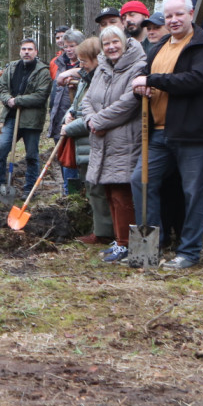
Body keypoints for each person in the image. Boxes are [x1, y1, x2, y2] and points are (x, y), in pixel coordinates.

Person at [130, 0, 203, 270]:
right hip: (157, 132)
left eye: (178, 14)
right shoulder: (157, 49)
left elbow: (195, 80)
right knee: (141, 181)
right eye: (168, 15)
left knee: (194, 192)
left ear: (191, 14)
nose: (173, 20)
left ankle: (189, 252)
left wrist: (152, 80)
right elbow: (143, 83)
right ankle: (150, 247)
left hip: (193, 132)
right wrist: (141, 88)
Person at [78, 27, 147, 262]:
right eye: (106, 44)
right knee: (109, 191)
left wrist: (98, 120)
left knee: (122, 192)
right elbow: (87, 99)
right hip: (101, 138)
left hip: (125, 138)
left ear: (124, 43)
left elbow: (128, 102)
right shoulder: (102, 68)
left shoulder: (138, 65)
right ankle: (119, 240)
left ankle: (128, 243)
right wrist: (90, 120)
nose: (111, 47)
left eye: (115, 42)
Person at [59, 37, 113, 245]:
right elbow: (78, 107)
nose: (81, 66)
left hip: (94, 143)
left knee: (97, 188)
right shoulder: (85, 79)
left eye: (84, 61)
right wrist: (68, 115)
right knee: (90, 188)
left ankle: (103, 232)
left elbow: (94, 117)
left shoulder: (102, 81)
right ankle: (98, 229)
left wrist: (69, 128)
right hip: (82, 145)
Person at [0, 39, 51, 202]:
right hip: (11, 118)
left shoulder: (43, 71)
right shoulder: (12, 67)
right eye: (24, 49)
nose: (26, 52)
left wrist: (18, 100)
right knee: (1, 150)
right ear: (20, 51)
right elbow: (1, 87)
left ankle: (29, 190)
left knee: (31, 156)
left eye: (30, 49)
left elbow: (41, 96)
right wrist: (8, 99)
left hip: (32, 122)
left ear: (36, 52)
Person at [49, 29, 86, 189]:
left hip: (78, 119)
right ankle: (67, 192)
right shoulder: (58, 64)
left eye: (73, 46)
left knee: (78, 159)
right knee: (64, 157)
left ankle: (77, 193)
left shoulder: (86, 64)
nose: (69, 49)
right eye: (66, 46)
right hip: (60, 118)